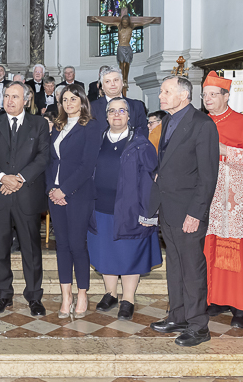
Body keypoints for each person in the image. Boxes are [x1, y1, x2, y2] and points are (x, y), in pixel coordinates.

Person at [148, 76, 219, 347]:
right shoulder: (167, 121)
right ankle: (177, 316)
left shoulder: (203, 125)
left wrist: (196, 213)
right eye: (162, 91)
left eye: (167, 92)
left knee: (192, 269)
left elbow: (207, 176)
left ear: (184, 95)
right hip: (168, 208)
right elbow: (166, 163)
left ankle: (198, 325)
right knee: (175, 266)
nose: (161, 96)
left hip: (189, 211)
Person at [87, 97, 161, 321]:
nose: (116, 115)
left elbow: (151, 181)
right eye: (112, 111)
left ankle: (128, 299)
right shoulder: (96, 140)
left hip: (130, 210)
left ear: (129, 116)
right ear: (106, 115)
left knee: (130, 255)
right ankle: (110, 294)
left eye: (121, 111)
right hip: (100, 208)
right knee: (105, 253)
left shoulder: (141, 143)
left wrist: (147, 213)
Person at [0, 83, 50, 316]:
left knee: (31, 248)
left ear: (26, 99)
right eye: (6, 96)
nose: (9, 101)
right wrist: (3, 179)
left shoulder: (39, 124)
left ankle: (34, 296)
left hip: (27, 194)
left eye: (15, 97)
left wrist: (19, 179)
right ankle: (3, 294)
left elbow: (43, 156)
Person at [200, 72, 243, 329]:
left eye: (214, 94)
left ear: (227, 96)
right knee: (210, 251)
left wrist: (223, 150)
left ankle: (241, 304)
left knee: (239, 254)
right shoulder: (198, 124)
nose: (208, 99)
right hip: (208, 202)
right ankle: (215, 299)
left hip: (238, 205)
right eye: (204, 95)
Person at [46, 84, 102, 318]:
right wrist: (52, 189)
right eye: (65, 100)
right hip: (55, 194)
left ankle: (82, 294)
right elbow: (51, 160)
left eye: (73, 99)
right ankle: (65, 294)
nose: (68, 103)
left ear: (82, 101)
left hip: (78, 194)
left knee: (78, 245)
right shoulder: (58, 126)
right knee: (62, 246)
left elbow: (87, 166)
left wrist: (65, 191)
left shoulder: (91, 126)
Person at [91, 66, 147, 137]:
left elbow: (143, 133)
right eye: (107, 81)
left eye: (116, 80)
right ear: (102, 86)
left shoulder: (137, 106)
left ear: (122, 83)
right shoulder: (91, 108)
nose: (112, 84)